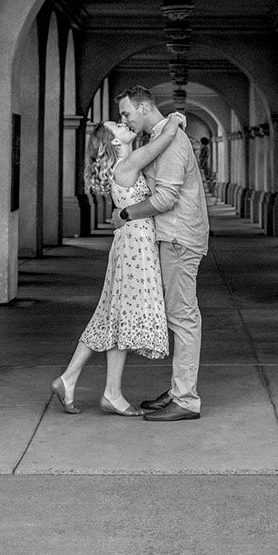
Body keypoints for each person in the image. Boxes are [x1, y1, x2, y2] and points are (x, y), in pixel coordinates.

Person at [50, 110, 185, 416]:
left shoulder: (125, 164)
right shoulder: (128, 164)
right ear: (113, 139)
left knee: (111, 316)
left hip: (130, 243)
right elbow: (164, 141)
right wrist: (174, 120)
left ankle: (71, 380)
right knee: (122, 316)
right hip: (135, 246)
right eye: (118, 125)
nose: (124, 124)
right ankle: (107, 392)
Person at [112, 85, 210, 422]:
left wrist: (125, 214)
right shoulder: (164, 135)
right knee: (179, 315)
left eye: (126, 113)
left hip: (179, 238)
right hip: (175, 236)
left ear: (142, 107)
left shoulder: (173, 142)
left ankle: (185, 398)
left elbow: (166, 198)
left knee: (183, 317)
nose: (124, 120)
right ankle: (179, 389)